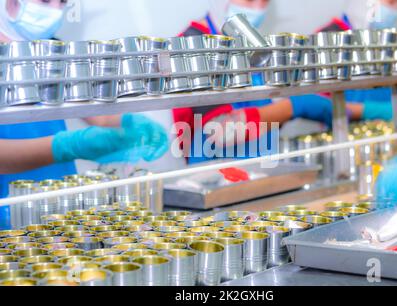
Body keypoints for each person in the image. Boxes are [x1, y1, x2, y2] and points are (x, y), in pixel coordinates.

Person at [0, 0, 169, 229]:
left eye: (62, 2)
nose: (55, 11)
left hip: (55, 200)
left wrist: (128, 123)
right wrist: (68, 145)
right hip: (7, 207)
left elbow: (97, 115)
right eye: (45, 1)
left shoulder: (53, 50)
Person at [178, 0, 336, 164]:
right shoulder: (192, 46)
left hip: (260, 167)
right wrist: (292, 107)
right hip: (215, 172)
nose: (259, 7)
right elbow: (220, 132)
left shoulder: (253, 48)